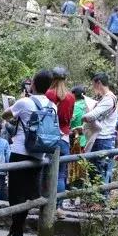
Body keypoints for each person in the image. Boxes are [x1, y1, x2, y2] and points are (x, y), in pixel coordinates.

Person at [0, 70, 55, 236]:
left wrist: (19, 102)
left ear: (33, 84)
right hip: (40, 153)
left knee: (16, 195)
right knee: (28, 194)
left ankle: (16, 234)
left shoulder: (24, 102)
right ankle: (17, 232)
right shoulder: (52, 105)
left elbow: (5, 115)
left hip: (20, 152)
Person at [82, 72, 118, 183]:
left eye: (94, 85)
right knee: (98, 172)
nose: (93, 88)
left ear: (98, 83)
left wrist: (84, 117)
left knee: (98, 173)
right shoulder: (106, 98)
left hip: (103, 139)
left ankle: (101, 194)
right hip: (102, 138)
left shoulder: (109, 99)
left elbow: (92, 116)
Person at [45, 67, 75, 199]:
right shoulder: (71, 97)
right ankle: (58, 205)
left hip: (49, 137)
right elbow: (69, 117)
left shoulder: (48, 94)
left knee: (46, 172)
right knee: (61, 175)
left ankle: (46, 203)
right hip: (64, 137)